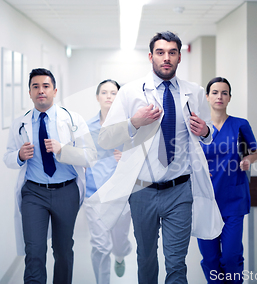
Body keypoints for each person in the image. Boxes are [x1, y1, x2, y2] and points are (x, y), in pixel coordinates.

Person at [86, 31, 224, 284]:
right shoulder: (129, 93)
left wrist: (205, 131)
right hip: (142, 191)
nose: (166, 58)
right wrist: (134, 123)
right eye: (160, 53)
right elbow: (105, 138)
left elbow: (209, 133)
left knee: (176, 263)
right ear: (151, 56)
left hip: (180, 191)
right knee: (146, 259)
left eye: (172, 52)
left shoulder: (194, 92)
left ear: (179, 57)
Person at [3, 68, 96, 284]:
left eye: (45, 86)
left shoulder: (73, 120)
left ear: (55, 90)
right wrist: (18, 155)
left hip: (66, 192)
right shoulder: (20, 124)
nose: (40, 91)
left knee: (63, 251)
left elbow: (91, 156)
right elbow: (7, 157)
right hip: (33, 193)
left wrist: (63, 150)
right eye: (35, 87)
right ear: (29, 93)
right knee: (34, 251)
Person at [197, 77, 257, 284]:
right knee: (210, 259)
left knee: (231, 257)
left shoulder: (240, 124)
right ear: (207, 97)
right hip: (206, 200)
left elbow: (255, 152)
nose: (219, 97)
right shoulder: (198, 126)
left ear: (230, 98)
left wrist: (248, 160)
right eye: (215, 92)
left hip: (233, 198)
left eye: (224, 93)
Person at [84, 79, 132, 284]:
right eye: (104, 92)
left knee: (118, 243)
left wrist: (127, 156)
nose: (109, 96)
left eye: (113, 93)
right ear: (97, 97)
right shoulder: (87, 127)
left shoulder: (130, 125)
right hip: (94, 193)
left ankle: (120, 255)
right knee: (100, 246)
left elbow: (143, 154)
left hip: (121, 192)